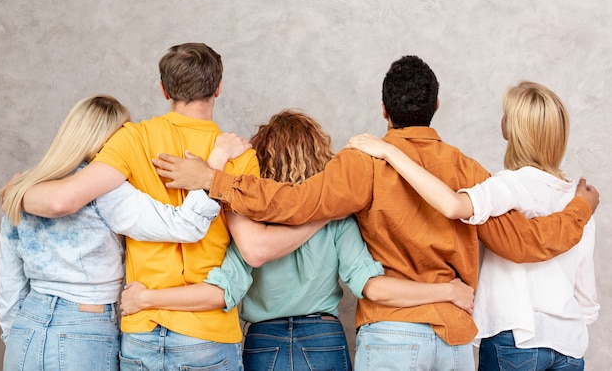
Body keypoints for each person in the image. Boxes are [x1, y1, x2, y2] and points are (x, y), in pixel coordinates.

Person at [152, 55, 599, 371]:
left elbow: (291, 204)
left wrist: (214, 179)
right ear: (436, 107)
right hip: (454, 339)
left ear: (384, 110)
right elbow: (524, 243)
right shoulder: (469, 170)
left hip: (391, 337)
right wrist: (579, 208)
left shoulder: (364, 162)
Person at [19, 43, 319, 370]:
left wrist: (17, 192)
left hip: (141, 328)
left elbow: (66, 198)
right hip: (207, 332)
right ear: (218, 88)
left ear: (164, 90)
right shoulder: (239, 156)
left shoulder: (131, 139)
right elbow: (253, 249)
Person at [120, 110, 475, 371]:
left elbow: (226, 287)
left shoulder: (247, 216)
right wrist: (448, 290)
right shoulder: (337, 217)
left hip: (263, 341)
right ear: (321, 155)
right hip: (324, 338)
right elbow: (372, 285)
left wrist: (147, 298)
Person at [347, 81, 599, 371]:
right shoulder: (581, 202)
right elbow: (587, 300)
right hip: (569, 345)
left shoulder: (507, 185)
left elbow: (453, 205)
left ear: (513, 129)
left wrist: (390, 152)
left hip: (515, 338)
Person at [0, 94, 227, 371]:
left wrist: (13, 333)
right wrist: (212, 170)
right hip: (84, 329)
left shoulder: (22, 189)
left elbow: (9, 282)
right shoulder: (106, 190)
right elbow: (185, 225)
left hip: (25, 327)